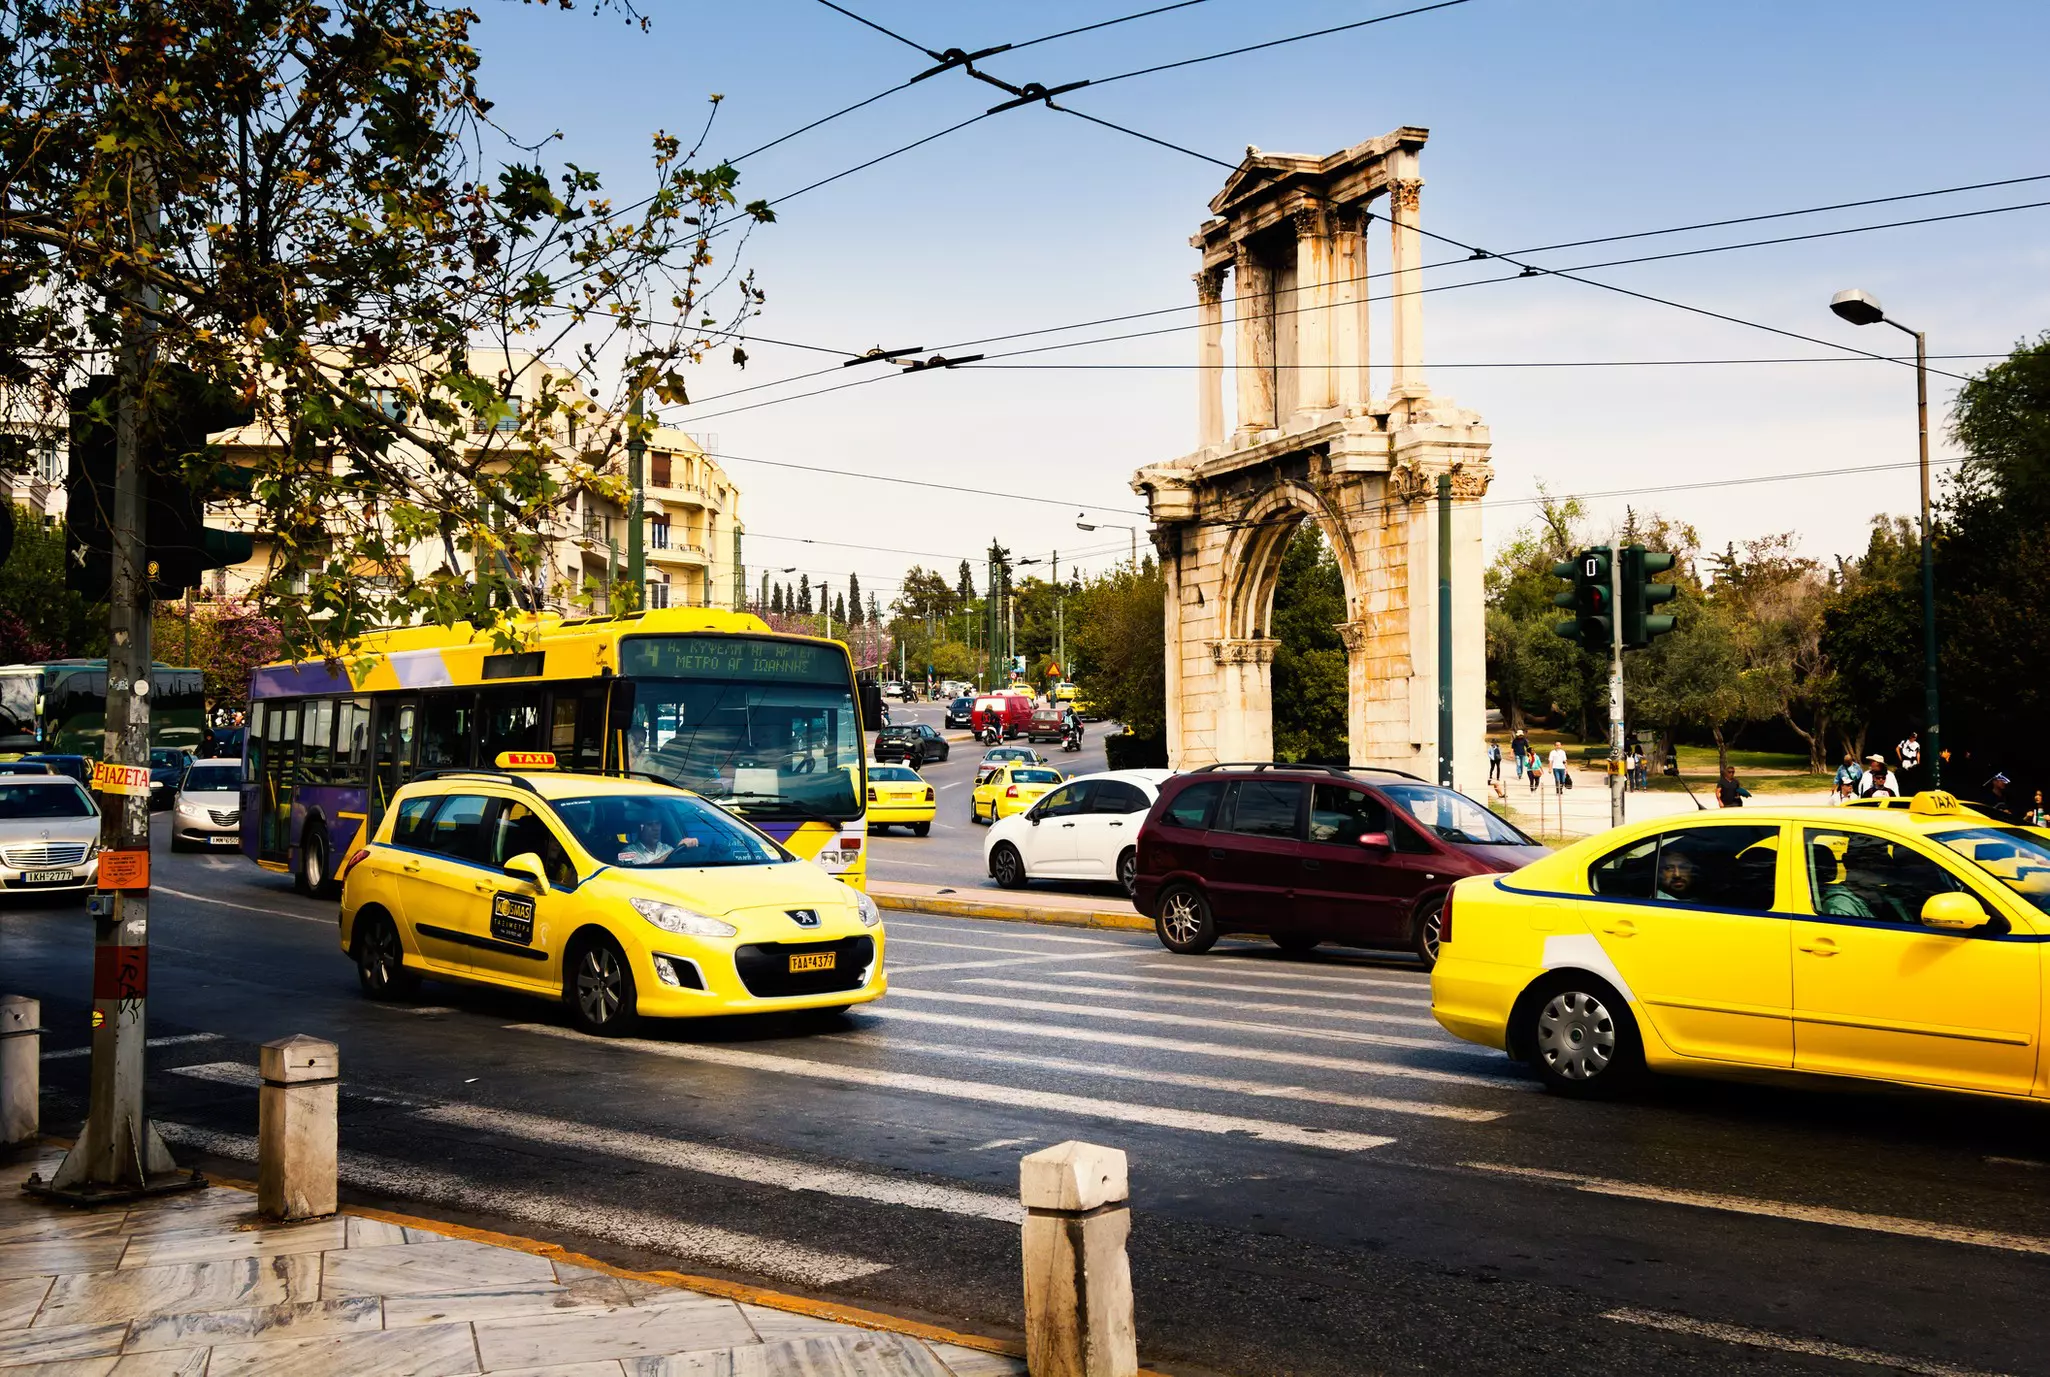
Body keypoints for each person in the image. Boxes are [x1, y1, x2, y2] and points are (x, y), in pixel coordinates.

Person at [617, 817, 686, 865]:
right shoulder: (628, 852)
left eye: (658, 823)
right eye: (650, 824)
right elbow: (642, 872)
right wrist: (670, 854)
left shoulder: (667, 848)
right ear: (641, 828)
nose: (656, 828)